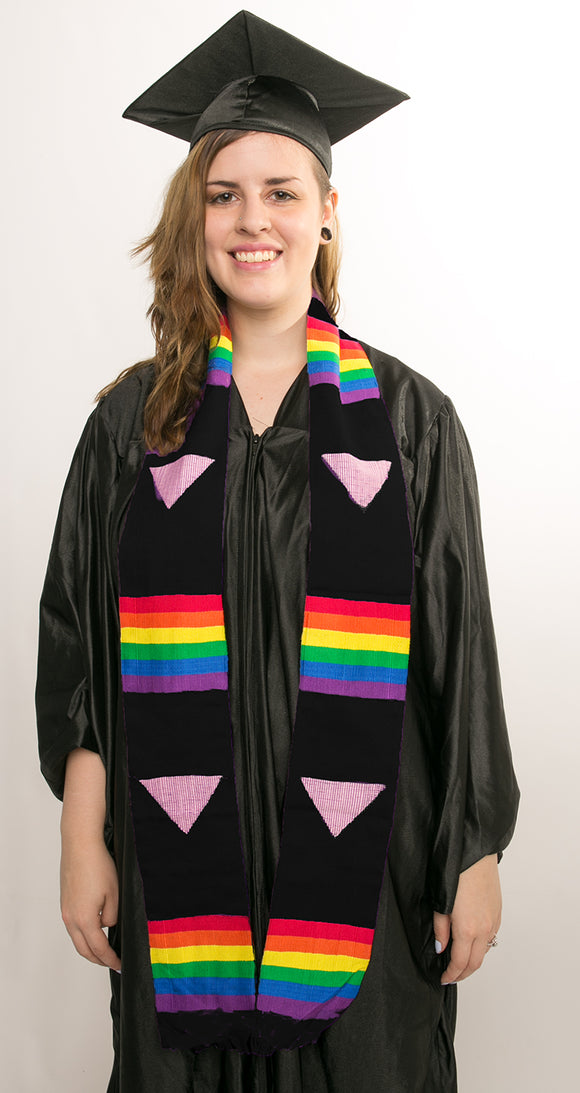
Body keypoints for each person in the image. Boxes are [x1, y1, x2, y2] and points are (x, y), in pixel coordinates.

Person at [36, 11, 519, 1092]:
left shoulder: (410, 421)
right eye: (223, 195)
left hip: (372, 863)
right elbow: (83, 649)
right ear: (196, 216)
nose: (252, 220)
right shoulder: (133, 426)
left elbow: (461, 652)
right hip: (174, 866)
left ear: (327, 211)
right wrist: (81, 839)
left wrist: (475, 848)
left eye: (282, 192)